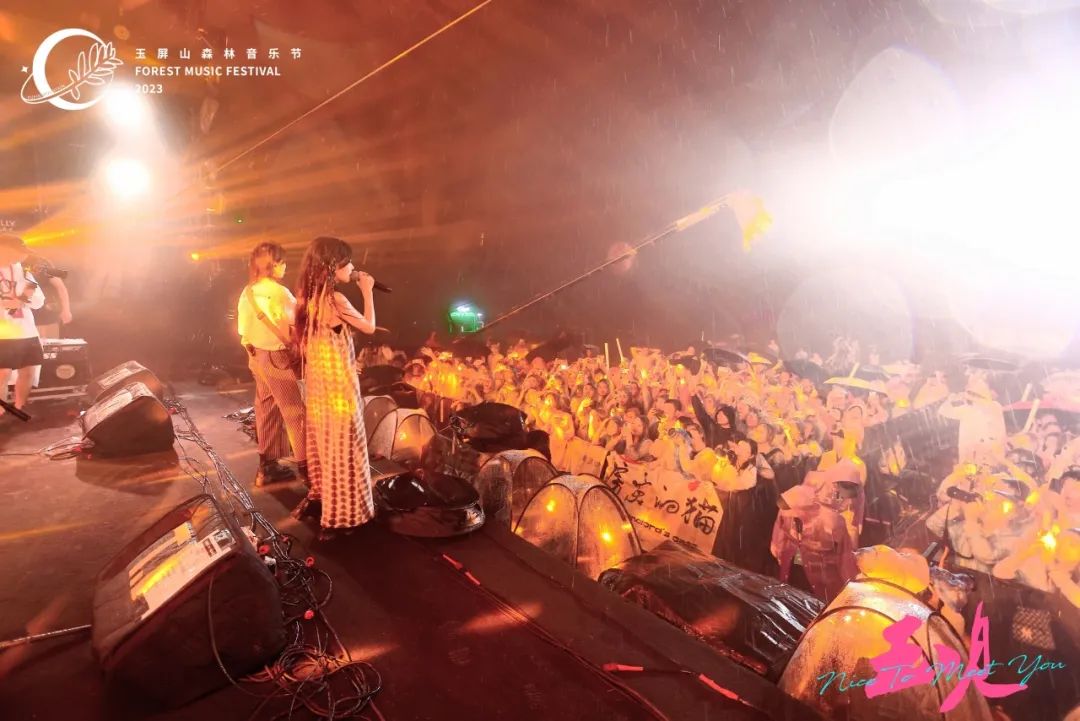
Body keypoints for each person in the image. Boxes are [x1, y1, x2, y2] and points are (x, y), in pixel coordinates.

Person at [292, 236, 378, 540]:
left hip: (319, 389)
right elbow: (369, 326)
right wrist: (367, 291)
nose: (353, 267)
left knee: (326, 448)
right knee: (345, 450)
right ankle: (342, 518)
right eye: (347, 262)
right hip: (339, 389)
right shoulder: (335, 300)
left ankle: (322, 501)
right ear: (332, 266)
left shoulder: (308, 299)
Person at [236, 242, 306, 487]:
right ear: (273, 264)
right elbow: (299, 323)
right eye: (282, 262)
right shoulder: (280, 293)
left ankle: (267, 467)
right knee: (295, 412)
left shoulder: (247, 292)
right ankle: (309, 470)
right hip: (276, 357)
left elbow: (242, 330)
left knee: (266, 408)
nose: (285, 267)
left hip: (255, 356)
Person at [0, 234, 45, 417]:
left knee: (28, 371)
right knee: (2, 373)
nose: (23, 256)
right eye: (19, 252)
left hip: (26, 330)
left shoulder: (24, 272)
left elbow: (39, 301)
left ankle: (18, 410)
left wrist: (23, 301)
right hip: (3, 332)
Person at [22, 253, 72, 339]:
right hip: (24, 313)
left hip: (45, 312)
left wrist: (66, 310)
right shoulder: (12, 264)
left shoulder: (42, 263)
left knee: (49, 343)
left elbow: (61, 287)